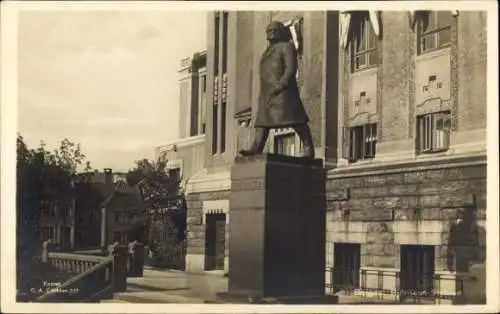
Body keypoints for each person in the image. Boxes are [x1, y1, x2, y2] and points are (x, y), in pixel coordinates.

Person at [239, 20, 315, 158]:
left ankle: (309, 149)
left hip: (283, 92)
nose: (271, 33)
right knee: (262, 121)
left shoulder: (287, 46)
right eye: (269, 31)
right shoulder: (267, 51)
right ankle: (257, 147)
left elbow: (291, 68)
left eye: (274, 30)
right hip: (267, 93)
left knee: (296, 119)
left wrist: (281, 84)